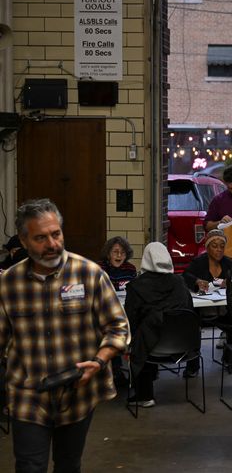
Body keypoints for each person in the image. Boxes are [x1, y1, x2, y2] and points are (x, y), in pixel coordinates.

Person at [0, 199, 129, 472]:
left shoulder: (90, 274)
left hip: (77, 393)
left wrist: (100, 360)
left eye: (56, 234)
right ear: (23, 241)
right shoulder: (8, 283)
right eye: (40, 238)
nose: (52, 244)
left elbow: (118, 327)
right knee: (29, 466)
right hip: (28, 393)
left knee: (68, 464)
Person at [124, 242, 194, 407]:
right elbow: (189, 309)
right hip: (182, 345)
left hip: (150, 347)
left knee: (141, 335)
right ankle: (193, 367)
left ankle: (144, 395)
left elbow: (131, 319)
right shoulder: (179, 282)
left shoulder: (136, 286)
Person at [182, 229, 232, 372]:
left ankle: (230, 357)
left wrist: (230, 282)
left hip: (222, 309)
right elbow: (185, 275)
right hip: (201, 310)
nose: (219, 249)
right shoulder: (198, 262)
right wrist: (196, 281)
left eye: (222, 246)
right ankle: (193, 364)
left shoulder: (229, 262)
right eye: (214, 246)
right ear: (207, 247)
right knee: (192, 326)